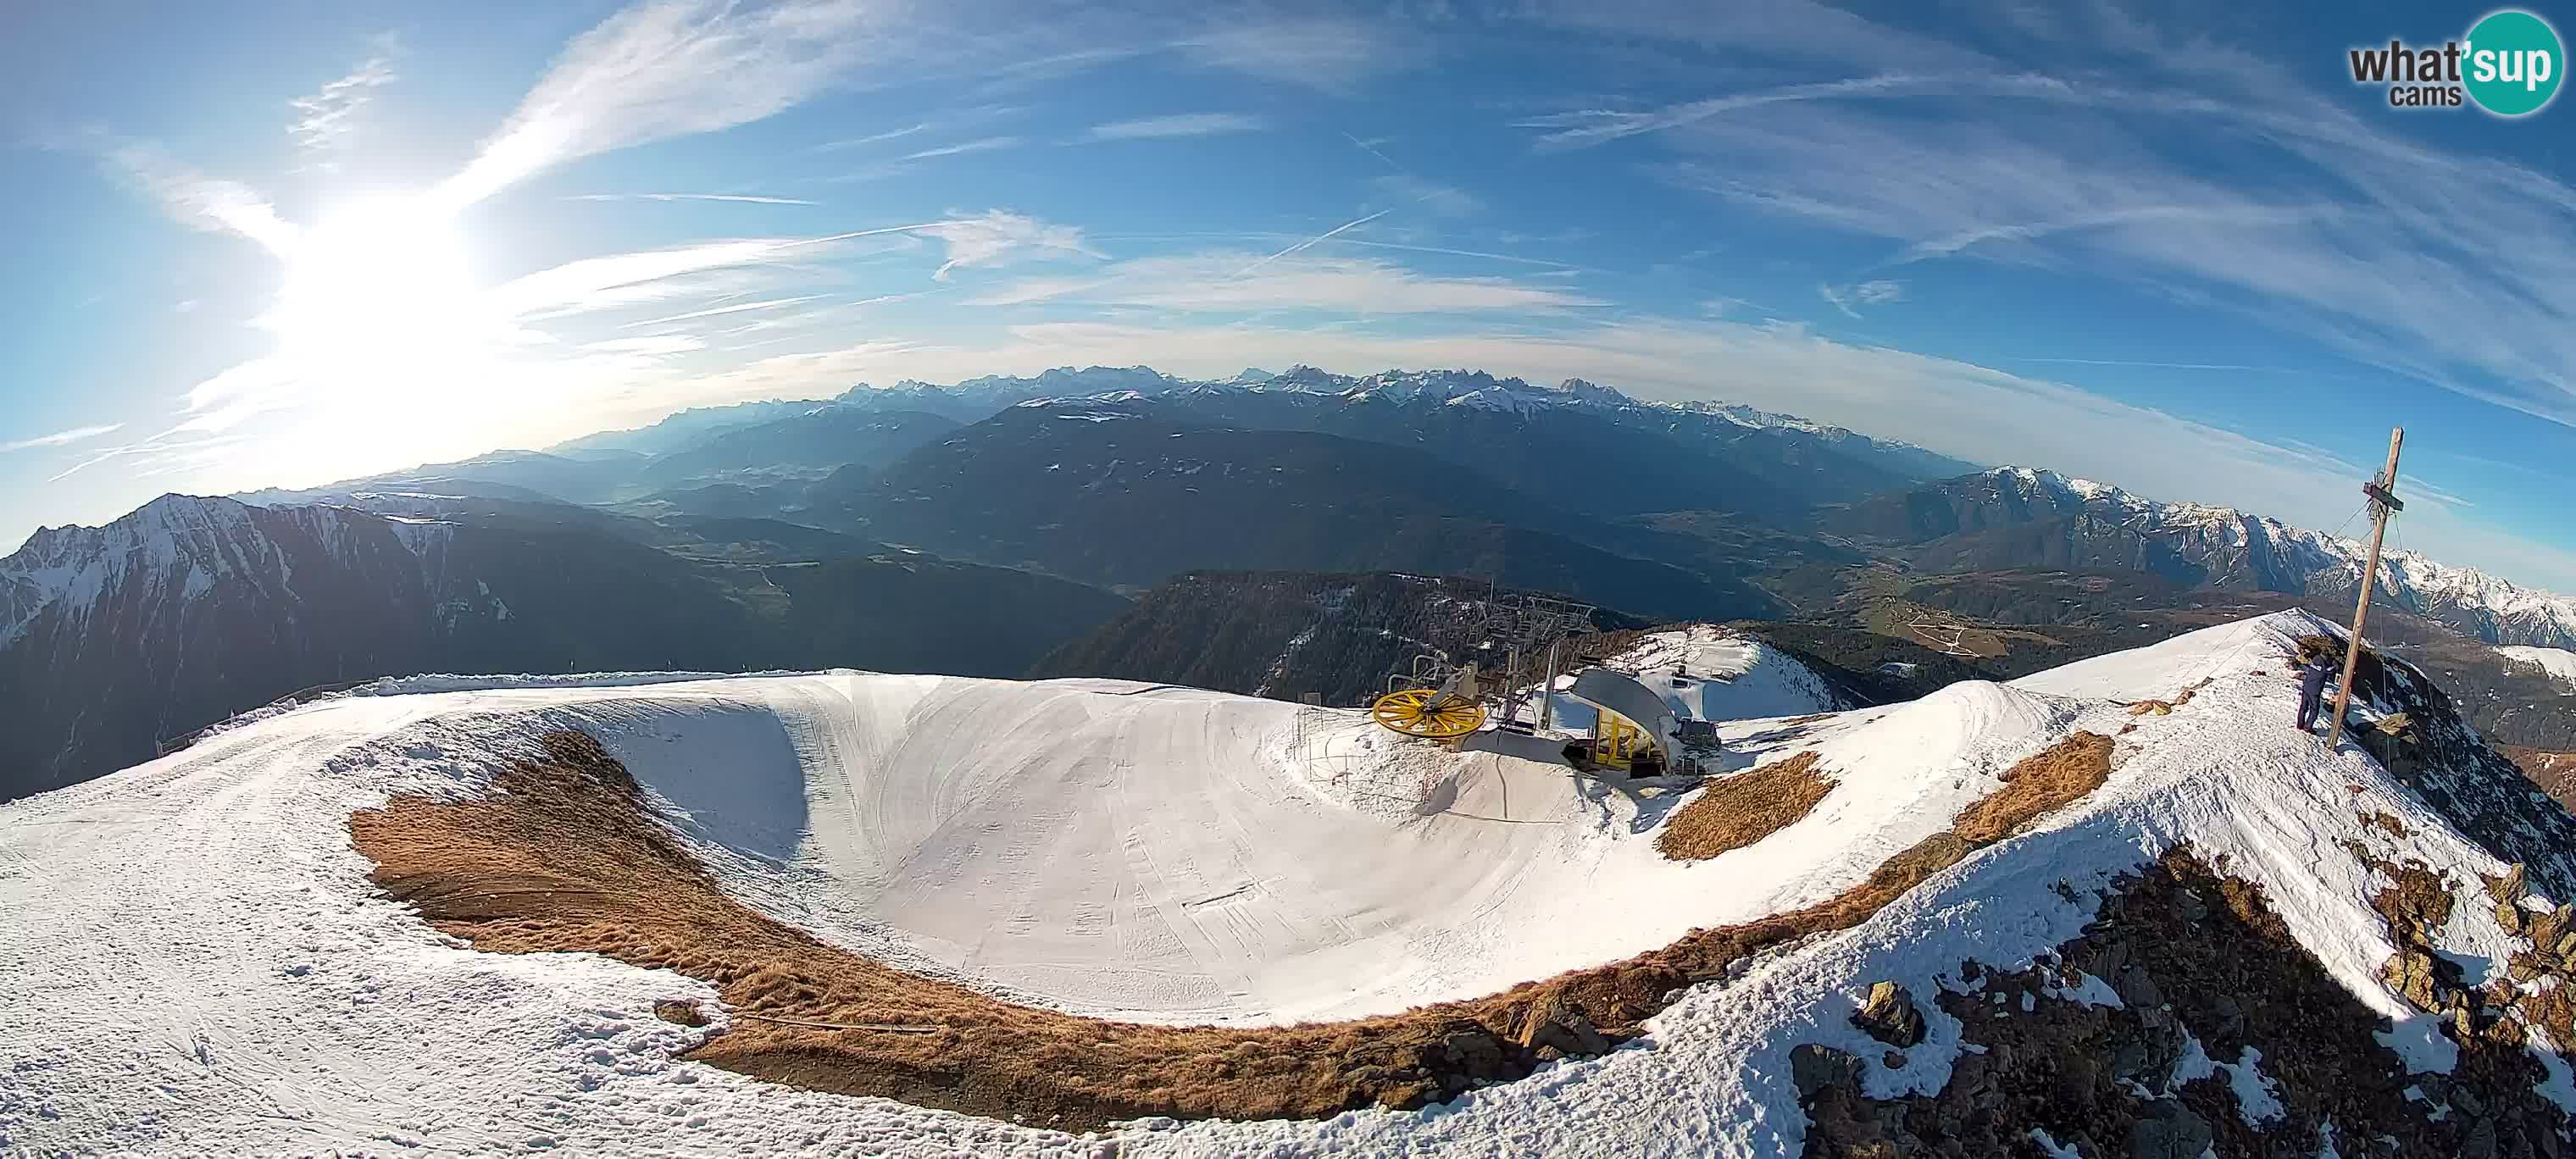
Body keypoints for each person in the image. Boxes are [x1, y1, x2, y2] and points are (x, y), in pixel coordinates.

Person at [2295, 649, 2336, 733]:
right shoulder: (2324, 667)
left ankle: (2300, 725)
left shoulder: (2315, 659)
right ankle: (2307, 728)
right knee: (2314, 710)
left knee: (2303, 707)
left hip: (2306, 687)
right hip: (2314, 691)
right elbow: (2329, 670)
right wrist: (2335, 665)